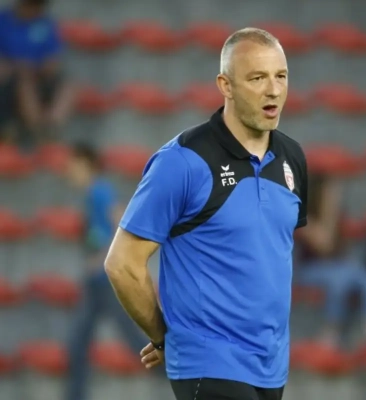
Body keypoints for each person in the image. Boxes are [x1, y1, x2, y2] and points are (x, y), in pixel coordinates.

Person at [104, 28, 307, 400]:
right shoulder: (182, 161)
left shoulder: (292, 158)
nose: (274, 90)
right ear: (225, 85)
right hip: (209, 362)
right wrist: (163, 336)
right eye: (257, 78)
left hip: (271, 367)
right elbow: (122, 264)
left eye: (281, 76)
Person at [64, 143, 147, 400]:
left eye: (73, 166)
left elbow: (121, 222)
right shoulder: (91, 195)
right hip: (96, 283)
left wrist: (102, 258)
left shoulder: (101, 191)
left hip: (106, 282)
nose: (69, 171)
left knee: (136, 344)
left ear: (87, 165)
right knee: (78, 345)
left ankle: (185, 381)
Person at [294, 173, 366, 348]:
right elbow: (326, 244)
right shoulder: (305, 217)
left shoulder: (338, 219)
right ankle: (332, 330)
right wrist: (330, 212)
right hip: (310, 270)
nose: (336, 198)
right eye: (330, 194)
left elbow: (340, 252)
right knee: (339, 279)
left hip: (337, 267)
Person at [0, 0, 75, 146]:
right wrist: (17, 66)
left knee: (69, 87)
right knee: (25, 83)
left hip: (38, 75)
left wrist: (37, 67)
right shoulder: (3, 21)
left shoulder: (45, 24)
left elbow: (53, 61)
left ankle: (52, 126)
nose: (34, 10)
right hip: (11, 79)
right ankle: (37, 130)